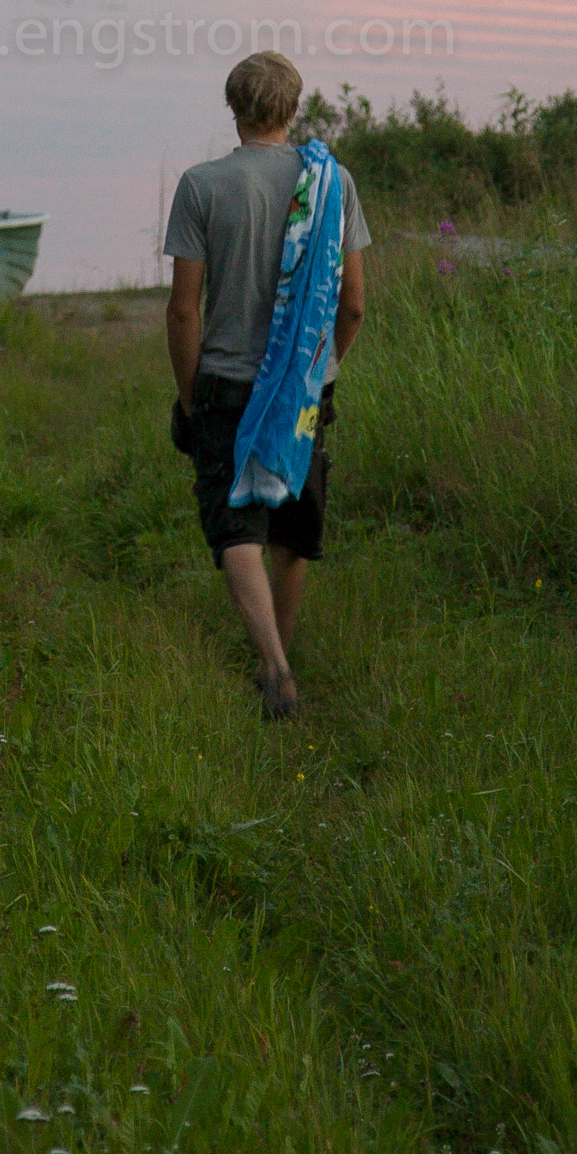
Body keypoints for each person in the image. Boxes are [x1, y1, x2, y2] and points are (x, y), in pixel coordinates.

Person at [163, 50, 369, 720]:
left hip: (226, 379)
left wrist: (192, 397)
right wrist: (318, 370)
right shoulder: (333, 183)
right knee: (287, 526)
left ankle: (275, 669)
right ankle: (273, 662)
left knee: (235, 529)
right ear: (291, 108)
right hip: (305, 389)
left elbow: (183, 308)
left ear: (234, 107)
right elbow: (354, 305)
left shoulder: (201, 185)